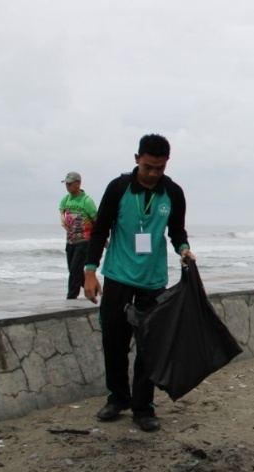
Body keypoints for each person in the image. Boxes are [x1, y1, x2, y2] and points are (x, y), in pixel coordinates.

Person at [83, 134, 195, 433]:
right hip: (118, 276)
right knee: (114, 342)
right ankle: (117, 398)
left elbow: (177, 231)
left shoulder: (173, 192)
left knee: (149, 347)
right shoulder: (118, 188)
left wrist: (183, 249)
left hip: (153, 280)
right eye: (148, 166)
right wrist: (90, 271)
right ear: (136, 159)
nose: (154, 173)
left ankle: (143, 407)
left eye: (159, 167)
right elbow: (99, 231)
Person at [59, 172, 98, 299]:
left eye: (70, 184)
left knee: (75, 270)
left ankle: (71, 298)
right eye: (66, 184)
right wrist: (62, 218)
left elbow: (96, 221)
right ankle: (95, 289)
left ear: (78, 183)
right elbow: (61, 210)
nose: (68, 186)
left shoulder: (87, 201)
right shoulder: (66, 198)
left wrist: (101, 240)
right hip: (70, 241)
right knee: (73, 270)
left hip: (84, 241)